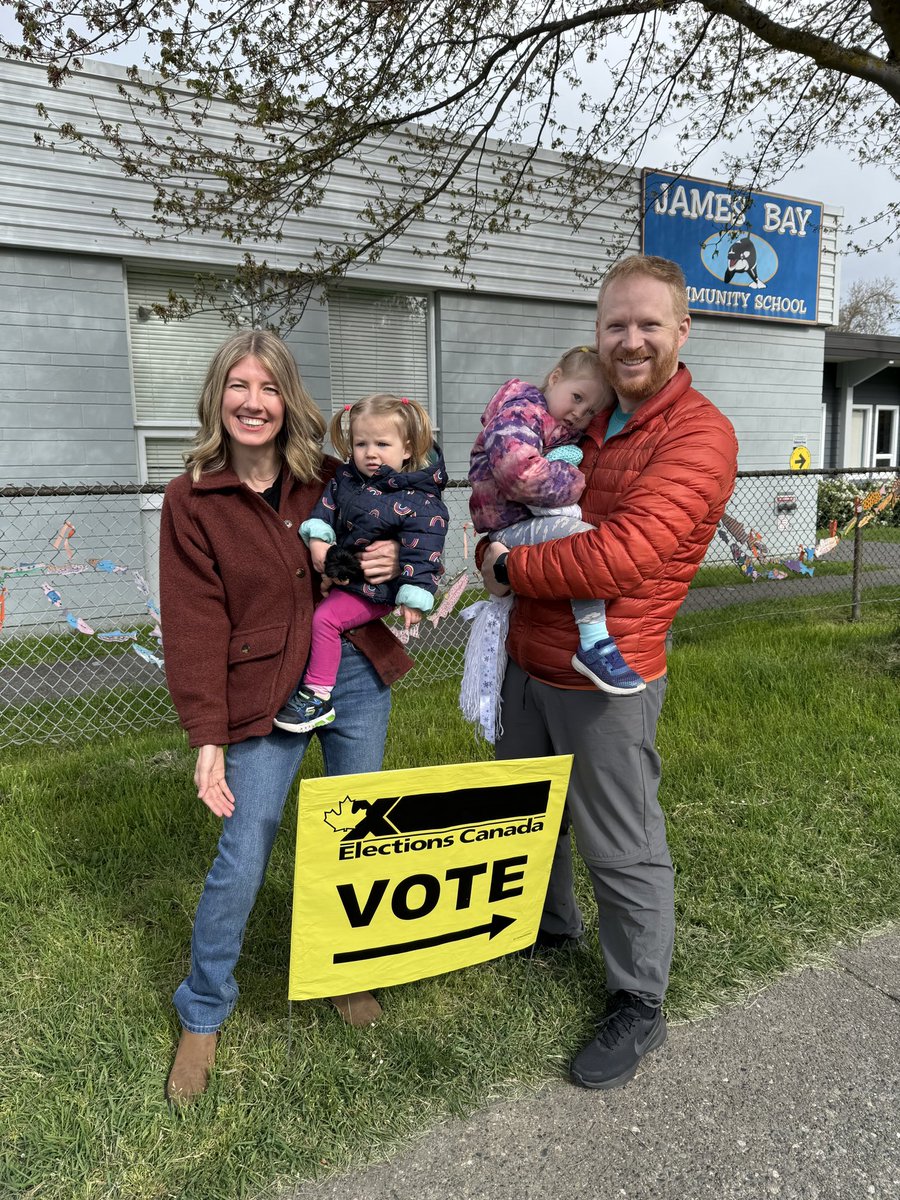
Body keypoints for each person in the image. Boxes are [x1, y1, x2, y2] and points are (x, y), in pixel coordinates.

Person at [480, 255, 738, 1091]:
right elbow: (509, 488)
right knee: (529, 816)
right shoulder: (581, 419)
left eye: (648, 324)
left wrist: (506, 569)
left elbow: (624, 557)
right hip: (528, 660)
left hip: (606, 678)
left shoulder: (698, 434)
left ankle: (639, 998)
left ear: (681, 330)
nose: (630, 340)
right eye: (615, 325)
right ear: (596, 334)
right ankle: (548, 931)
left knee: (619, 844)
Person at [159, 330, 413, 1105]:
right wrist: (207, 737)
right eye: (239, 385)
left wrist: (392, 564)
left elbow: (401, 530)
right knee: (246, 844)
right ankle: (203, 1010)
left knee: (353, 831)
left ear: (287, 399)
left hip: (357, 677)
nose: (253, 402)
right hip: (262, 695)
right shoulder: (192, 498)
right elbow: (194, 623)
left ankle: (342, 969)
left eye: (269, 388)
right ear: (218, 398)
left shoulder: (332, 476)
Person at [468, 345, 644, 695]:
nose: (579, 413)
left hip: (517, 521)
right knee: (584, 543)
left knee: (579, 543)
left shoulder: (552, 424)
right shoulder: (520, 412)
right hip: (509, 523)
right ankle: (593, 641)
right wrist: (572, 480)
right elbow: (519, 472)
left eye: (590, 410)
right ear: (555, 378)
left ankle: (593, 642)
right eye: (576, 397)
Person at [273, 393, 448, 733]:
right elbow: (326, 509)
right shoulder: (346, 480)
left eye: (383, 443)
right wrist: (320, 539)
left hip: (377, 589)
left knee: (325, 619)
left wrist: (414, 595)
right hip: (349, 577)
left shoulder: (420, 500)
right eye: (361, 443)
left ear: (407, 449)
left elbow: (424, 551)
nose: (371, 453)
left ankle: (318, 694)